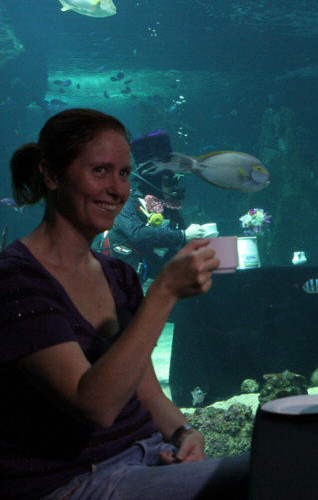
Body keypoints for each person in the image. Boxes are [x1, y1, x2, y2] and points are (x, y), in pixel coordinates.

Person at [0, 109, 248, 499]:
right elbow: (94, 404)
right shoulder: (16, 279)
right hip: (75, 480)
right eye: (100, 171)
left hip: (148, 457)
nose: (118, 189)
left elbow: (147, 393)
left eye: (124, 173)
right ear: (50, 175)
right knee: (272, 476)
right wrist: (163, 294)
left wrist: (185, 433)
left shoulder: (118, 275)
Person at [95, 130, 207, 283]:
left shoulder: (168, 207)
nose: (174, 186)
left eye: (176, 179)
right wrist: (183, 235)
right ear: (154, 180)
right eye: (169, 180)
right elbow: (138, 234)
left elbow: (179, 238)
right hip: (116, 284)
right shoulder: (125, 202)